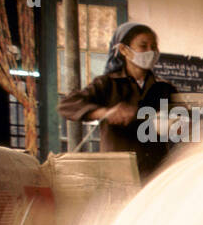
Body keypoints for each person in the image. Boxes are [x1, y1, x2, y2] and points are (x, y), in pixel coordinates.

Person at [58, 22, 177, 179]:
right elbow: (67, 105)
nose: (151, 51)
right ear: (123, 50)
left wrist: (178, 124)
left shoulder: (163, 88)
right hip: (117, 174)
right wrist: (104, 112)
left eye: (154, 46)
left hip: (155, 172)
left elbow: (183, 119)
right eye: (143, 46)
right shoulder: (107, 84)